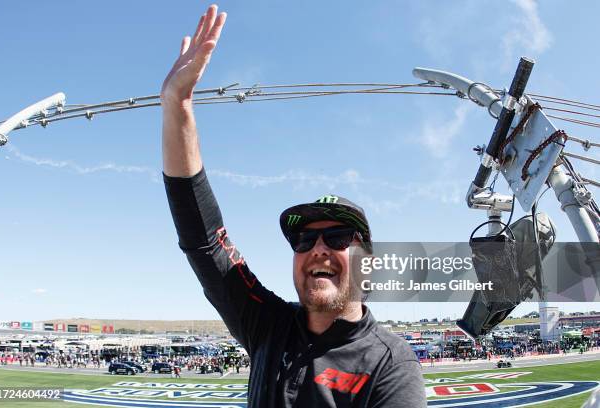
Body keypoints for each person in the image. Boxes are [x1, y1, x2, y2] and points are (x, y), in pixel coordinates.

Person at [161, 4, 426, 407]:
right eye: (304, 241)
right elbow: (204, 240)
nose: (318, 248)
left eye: (336, 237)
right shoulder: (267, 324)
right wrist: (177, 105)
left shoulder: (392, 364)